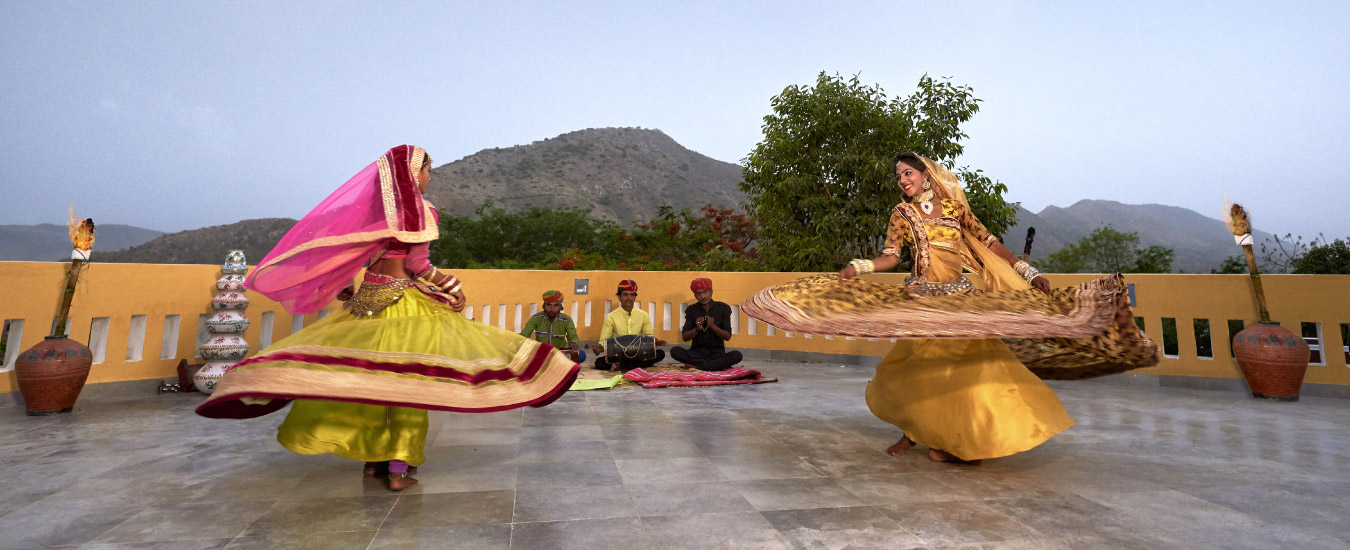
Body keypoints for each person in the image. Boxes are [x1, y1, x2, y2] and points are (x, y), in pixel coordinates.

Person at [196, 145, 579, 490]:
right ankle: (399, 469)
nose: (430, 178)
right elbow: (416, 263)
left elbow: (348, 259)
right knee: (412, 386)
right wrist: (451, 286)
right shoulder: (421, 212)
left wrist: (344, 290)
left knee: (370, 383)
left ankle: (373, 463)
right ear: (415, 174)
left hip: (366, 306)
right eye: (429, 171)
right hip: (404, 308)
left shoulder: (372, 214)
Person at [743, 152, 1158, 465]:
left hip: (960, 298)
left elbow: (990, 242)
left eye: (908, 173)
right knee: (911, 367)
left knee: (972, 367)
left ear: (926, 174)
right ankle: (914, 432)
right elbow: (891, 256)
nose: (903, 180)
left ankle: (958, 440)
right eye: (899, 176)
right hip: (922, 300)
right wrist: (861, 266)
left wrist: (1029, 273)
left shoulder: (955, 210)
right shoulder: (901, 214)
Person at [590, 279, 667, 371]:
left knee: (660, 354)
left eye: (632, 295)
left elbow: (649, 337)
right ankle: (635, 366)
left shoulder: (644, 315)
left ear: (635, 297)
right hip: (619, 355)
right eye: (625, 294)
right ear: (619, 297)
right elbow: (604, 340)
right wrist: (600, 347)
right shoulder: (611, 317)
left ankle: (622, 367)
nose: (629, 298)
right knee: (599, 362)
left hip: (638, 354)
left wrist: (655, 342)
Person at [670, 278, 743, 371]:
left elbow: (727, 336)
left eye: (705, 292)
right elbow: (685, 337)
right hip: (696, 354)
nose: (703, 296)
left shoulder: (723, 308)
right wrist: (697, 329)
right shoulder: (691, 310)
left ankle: (698, 367)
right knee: (675, 351)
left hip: (716, 354)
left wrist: (713, 326)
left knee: (737, 355)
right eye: (699, 294)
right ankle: (714, 366)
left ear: (711, 292)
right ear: (695, 296)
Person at [521, 290, 585, 363]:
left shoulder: (566, 320)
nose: (552, 309)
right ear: (543, 306)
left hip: (559, 354)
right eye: (548, 305)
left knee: (582, 355)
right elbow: (524, 334)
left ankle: (550, 363)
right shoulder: (536, 318)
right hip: (541, 353)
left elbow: (572, 335)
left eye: (556, 305)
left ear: (560, 307)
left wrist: (573, 342)